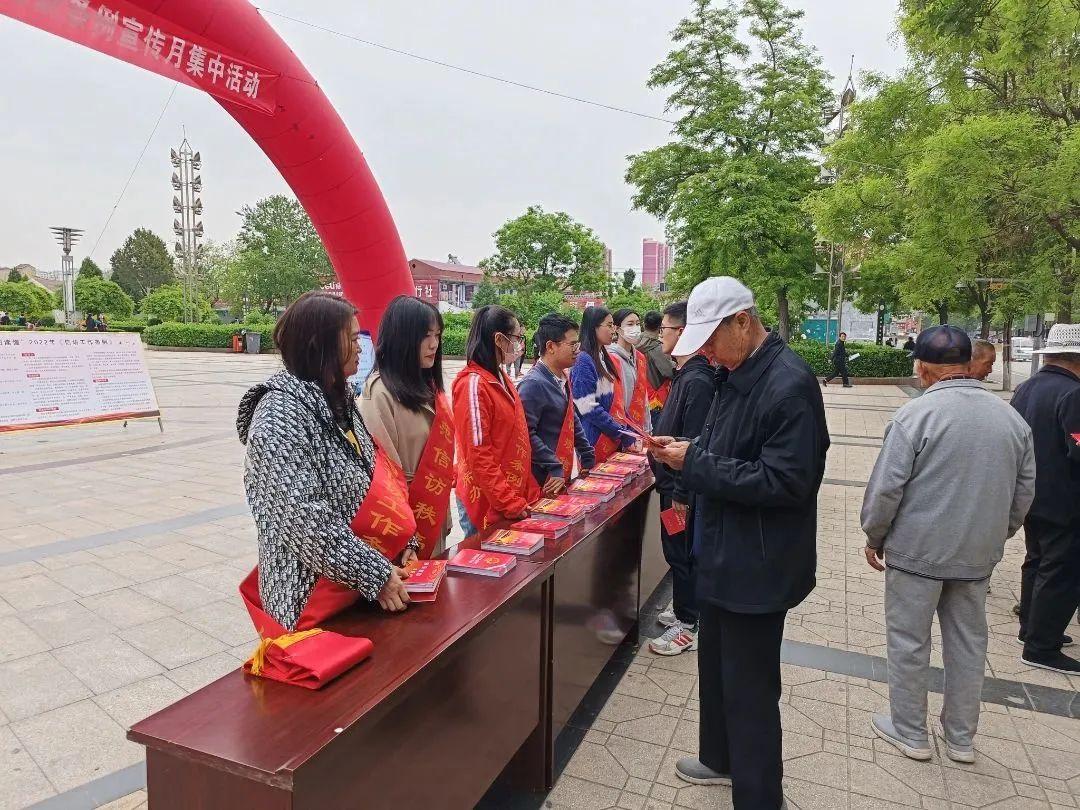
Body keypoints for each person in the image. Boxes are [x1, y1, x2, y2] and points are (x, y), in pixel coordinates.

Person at [651, 277, 828, 809]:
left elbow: (787, 481)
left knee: (750, 688)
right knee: (716, 667)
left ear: (743, 322)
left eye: (710, 340)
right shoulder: (735, 372)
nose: (705, 352)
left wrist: (696, 462)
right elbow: (725, 446)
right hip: (721, 550)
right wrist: (686, 449)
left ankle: (758, 796)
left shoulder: (788, 384)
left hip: (757, 562)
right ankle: (719, 757)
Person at [860, 325, 1035, 763]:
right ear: (967, 363)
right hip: (976, 556)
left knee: (909, 641)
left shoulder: (915, 416)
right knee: (969, 644)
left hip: (917, 553)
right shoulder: (1011, 420)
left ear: (922, 367)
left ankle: (910, 731)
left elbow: (886, 490)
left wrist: (875, 536)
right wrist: (996, 535)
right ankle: (960, 738)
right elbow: (1024, 493)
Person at [237, 291, 411, 631]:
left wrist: (403, 539)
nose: (361, 348)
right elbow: (303, 519)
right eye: (352, 339)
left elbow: (374, 479)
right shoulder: (277, 418)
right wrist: (374, 574)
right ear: (320, 346)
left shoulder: (339, 400)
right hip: (312, 600)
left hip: (359, 589)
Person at [359, 295, 455, 559]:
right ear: (401, 338)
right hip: (403, 523)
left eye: (437, 335)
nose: (434, 344)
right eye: (425, 336)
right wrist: (402, 535)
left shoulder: (431, 390)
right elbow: (381, 474)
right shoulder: (379, 394)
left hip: (434, 513)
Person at [1011, 323, 1080, 674]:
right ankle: (1041, 646)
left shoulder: (1026, 388)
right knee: (1061, 570)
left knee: (1036, 559)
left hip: (1030, 495)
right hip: (1065, 499)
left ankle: (1031, 626)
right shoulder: (1074, 393)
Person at [647, 300, 714, 656]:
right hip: (672, 485)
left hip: (680, 490)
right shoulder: (685, 375)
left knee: (682, 552)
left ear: (684, 332)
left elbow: (694, 445)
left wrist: (681, 494)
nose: (661, 337)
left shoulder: (698, 380)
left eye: (665, 330)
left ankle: (687, 624)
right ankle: (684, 608)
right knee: (676, 552)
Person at [452, 305, 539, 536]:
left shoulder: (500, 377)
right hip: (486, 499)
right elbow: (478, 453)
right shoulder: (473, 384)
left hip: (507, 493)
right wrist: (508, 501)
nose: (520, 344)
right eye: (517, 337)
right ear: (499, 339)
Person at [518, 313, 595, 496]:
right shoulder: (533, 384)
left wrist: (586, 453)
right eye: (572, 345)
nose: (577, 350)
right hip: (543, 478)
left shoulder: (562, 376)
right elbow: (526, 433)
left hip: (559, 473)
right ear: (551, 346)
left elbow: (571, 418)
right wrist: (553, 465)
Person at [572, 306, 636, 462]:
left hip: (611, 434)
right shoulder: (583, 360)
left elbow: (616, 402)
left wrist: (630, 429)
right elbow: (587, 406)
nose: (613, 330)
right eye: (609, 325)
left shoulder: (604, 357)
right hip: (595, 438)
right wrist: (621, 432)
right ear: (594, 327)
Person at [609, 308, 652, 432]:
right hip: (620, 426)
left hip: (641, 425)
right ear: (617, 329)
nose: (635, 328)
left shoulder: (640, 358)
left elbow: (644, 396)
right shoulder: (611, 358)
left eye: (638, 324)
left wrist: (648, 426)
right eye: (630, 324)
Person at [640, 310, 676, 418]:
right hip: (655, 398)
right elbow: (669, 371)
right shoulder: (656, 347)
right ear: (660, 327)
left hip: (639, 395)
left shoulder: (634, 342)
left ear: (644, 324)